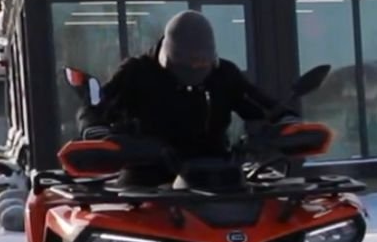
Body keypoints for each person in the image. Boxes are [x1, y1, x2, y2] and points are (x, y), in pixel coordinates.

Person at [78, 10, 281, 180]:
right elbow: (96, 106)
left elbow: (262, 105)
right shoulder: (137, 72)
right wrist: (96, 130)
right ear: (169, 56)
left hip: (217, 177)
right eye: (187, 65)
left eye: (202, 64)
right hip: (147, 177)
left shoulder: (224, 74)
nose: (196, 70)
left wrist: (279, 126)